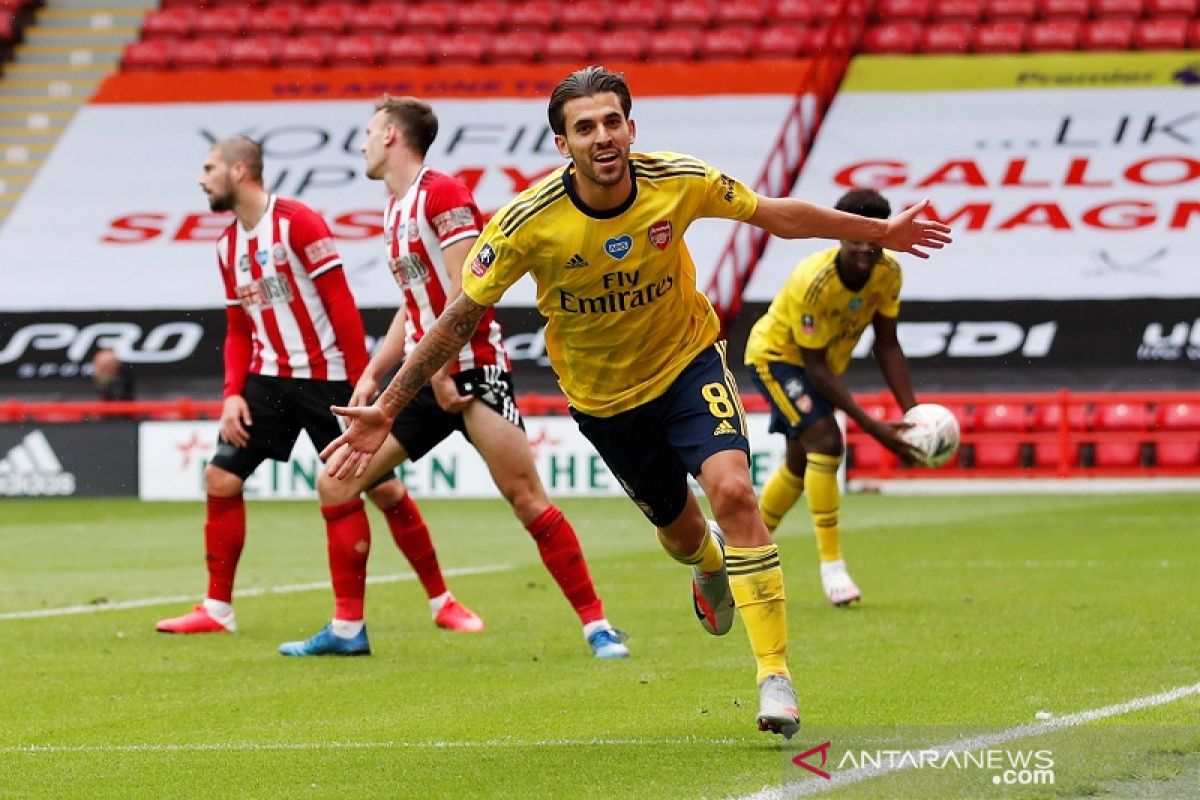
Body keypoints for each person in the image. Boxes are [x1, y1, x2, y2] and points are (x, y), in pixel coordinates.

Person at [319, 67, 951, 736]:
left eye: (612, 122)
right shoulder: (525, 223)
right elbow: (458, 316)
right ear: (562, 145)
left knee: (735, 492)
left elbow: (775, 213)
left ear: (631, 127)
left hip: (688, 364)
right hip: (605, 401)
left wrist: (877, 233)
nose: (602, 137)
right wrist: (388, 405)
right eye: (584, 127)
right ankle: (708, 563)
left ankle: (775, 675)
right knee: (681, 538)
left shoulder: (676, 179)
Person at [282, 96, 628, 661]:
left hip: (472, 373)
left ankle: (598, 626)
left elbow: (465, 290)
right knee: (337, 480)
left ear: (393, 136)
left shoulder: (443, 193)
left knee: (526, 499)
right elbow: (414, 305)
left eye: (370, 132)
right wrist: (374, 372)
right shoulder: (397, 209)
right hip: (424, 379)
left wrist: (442, 370)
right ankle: (347, 630)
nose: (363, 143)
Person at [156, 136, 485, 642]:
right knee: (221, 479)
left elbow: (340, 305)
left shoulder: (298, 222)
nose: (201, 179)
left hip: (327, 379)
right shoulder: (227, 246)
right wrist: (231, 393)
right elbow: (239, 328)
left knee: (382, 487)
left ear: (240, 170)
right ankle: (218, 608)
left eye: (209, 168)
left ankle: (442, 600)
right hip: (268, 382)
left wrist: (362, 384)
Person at [745, 189, 920, 608]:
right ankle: (832, 567)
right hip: (778, 360)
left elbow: (888, 345)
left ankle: (745, 550)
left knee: (799, 460)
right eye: (854, 234)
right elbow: (815, 366)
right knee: (826, 441)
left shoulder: (889, 273)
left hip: (821, 367)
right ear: (839, 234)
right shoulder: (814, 281)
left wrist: (914, 413)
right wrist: (872, 426)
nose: (865, 246)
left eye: (872, 235)